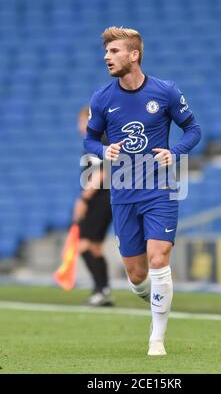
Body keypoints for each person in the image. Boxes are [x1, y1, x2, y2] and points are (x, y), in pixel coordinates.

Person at [84, 27, 201, 355]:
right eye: (106, 52)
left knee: (158, 256)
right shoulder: (102, 98)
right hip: (122, 192)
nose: (107, 57)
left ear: (133, 55)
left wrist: (175, 153)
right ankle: (152, 297)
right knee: (136, 275)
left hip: (159, 188)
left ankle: (157, 339)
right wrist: (101, 151)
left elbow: (193, 128)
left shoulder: (165, 91)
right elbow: (90, 138)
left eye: (114, 51)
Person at [73, 106, 113, 307]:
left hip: (100, 199)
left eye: (81, 122)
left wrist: (84, 199)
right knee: (95, 247)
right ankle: (102, 291)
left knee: (85, 245)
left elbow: (100, 174)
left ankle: (101, 290)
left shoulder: (97, 143)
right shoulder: (102, 141)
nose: (79, 127)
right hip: (107, 199)